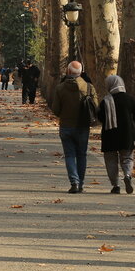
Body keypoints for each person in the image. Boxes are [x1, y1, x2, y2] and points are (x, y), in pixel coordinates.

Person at [48, 60, 98, 193]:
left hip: (66, 126)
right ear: (81, 72)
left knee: (69, 155)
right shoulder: (88, 87)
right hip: (82, 126)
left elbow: (55, 109)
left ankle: (74, 182)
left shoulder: (60, 88)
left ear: (68, 71)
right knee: (82, 155)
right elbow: (95, 107)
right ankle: (81, 183)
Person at [100, 75, 135, 194]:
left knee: (111, 161)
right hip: (126, 134)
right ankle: (127, 175)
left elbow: (100, 117)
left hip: (109, 135)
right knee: (127, 158)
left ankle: (116, 185)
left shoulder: (106, 100)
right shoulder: (129, 99)